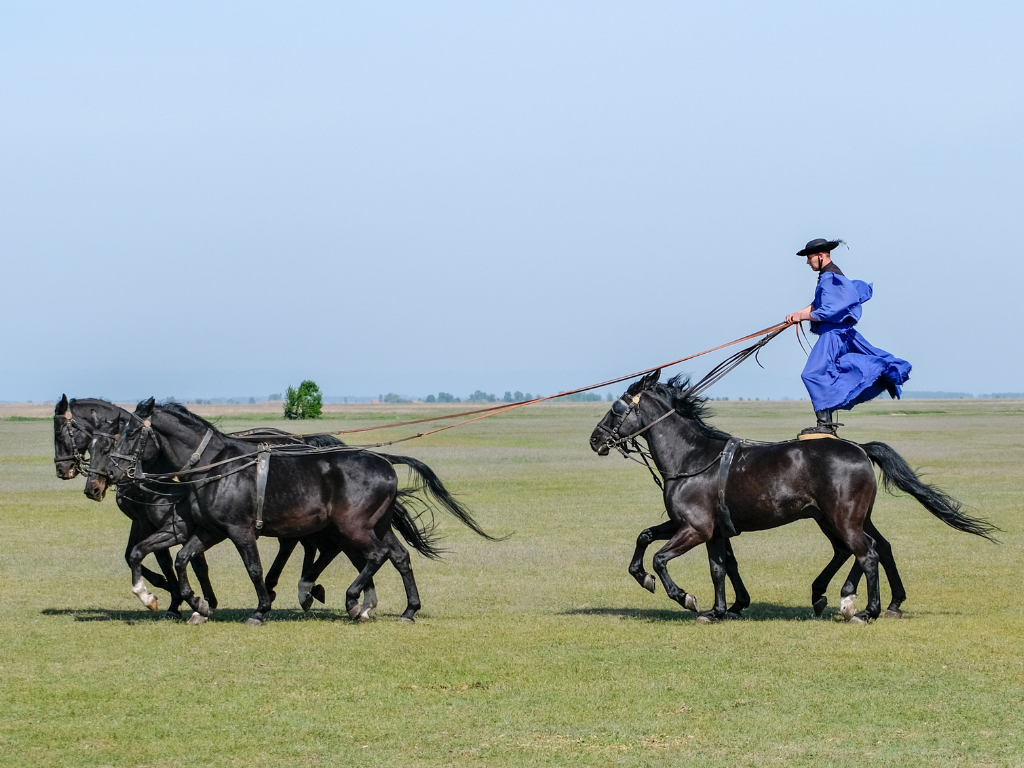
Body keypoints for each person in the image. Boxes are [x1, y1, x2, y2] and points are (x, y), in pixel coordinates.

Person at [785, 238, 911, 436]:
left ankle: (824, 423)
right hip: (836, 334)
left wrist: (801, 316)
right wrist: (796, 315)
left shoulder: (830, 279)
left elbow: (829, 310)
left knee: (812, 374)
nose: (807, 262)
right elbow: (818, 304)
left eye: (809, 258)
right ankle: (826, 418)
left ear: (820, 256)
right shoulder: (829, 276)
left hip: (832, 336)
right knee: (825, 372)